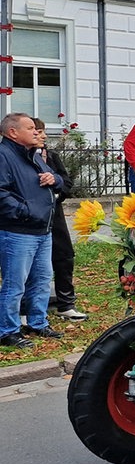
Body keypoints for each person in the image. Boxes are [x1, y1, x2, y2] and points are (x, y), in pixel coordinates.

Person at [0, 113, 65, 348]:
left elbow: (58, 179)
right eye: (30, 128)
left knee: (41, 279)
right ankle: (8, 330)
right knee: (15, 283)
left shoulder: (33, 156)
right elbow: (2, 194)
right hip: (18, 232)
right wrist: (26, 211)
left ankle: (38, 322)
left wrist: (53, 179)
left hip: (42, 230)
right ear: (13, 132)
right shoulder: (4, 156)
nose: (36, 132)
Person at [30, 118, 86, 321]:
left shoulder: (51, 155)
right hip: (32, 218)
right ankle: (29, 306)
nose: (43, 136)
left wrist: (56, 192)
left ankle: (66, 304)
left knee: (64, 255)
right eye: (38, 131)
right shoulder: (20, 158)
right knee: (33, 263)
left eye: (43, 131)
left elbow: (66, 181)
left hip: (56, 215)